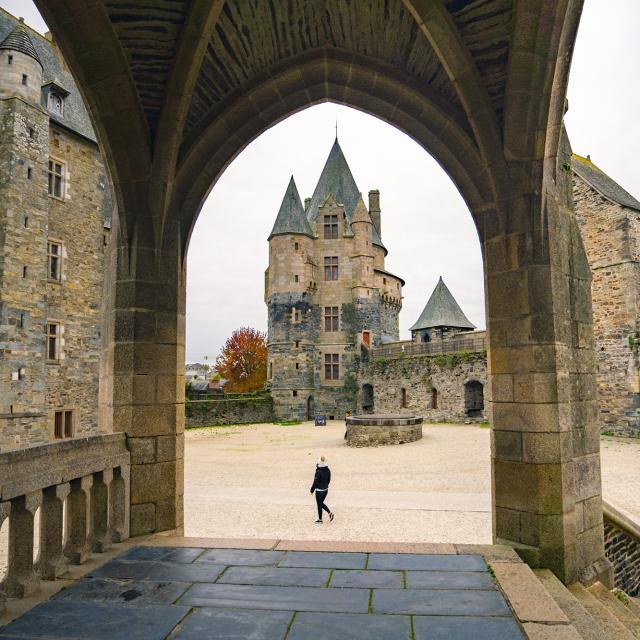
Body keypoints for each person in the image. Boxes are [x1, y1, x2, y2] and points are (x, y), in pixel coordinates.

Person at [310, 455, 334, 524]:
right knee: (321, 503)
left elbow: (315, 482)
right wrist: (325, 485)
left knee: (319, 504)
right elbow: (329, 480)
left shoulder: (318, 471)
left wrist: (312, 490)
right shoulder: (328, 469)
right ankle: (329, 513)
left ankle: (320, 519)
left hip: (319, 491)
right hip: (326, 490)